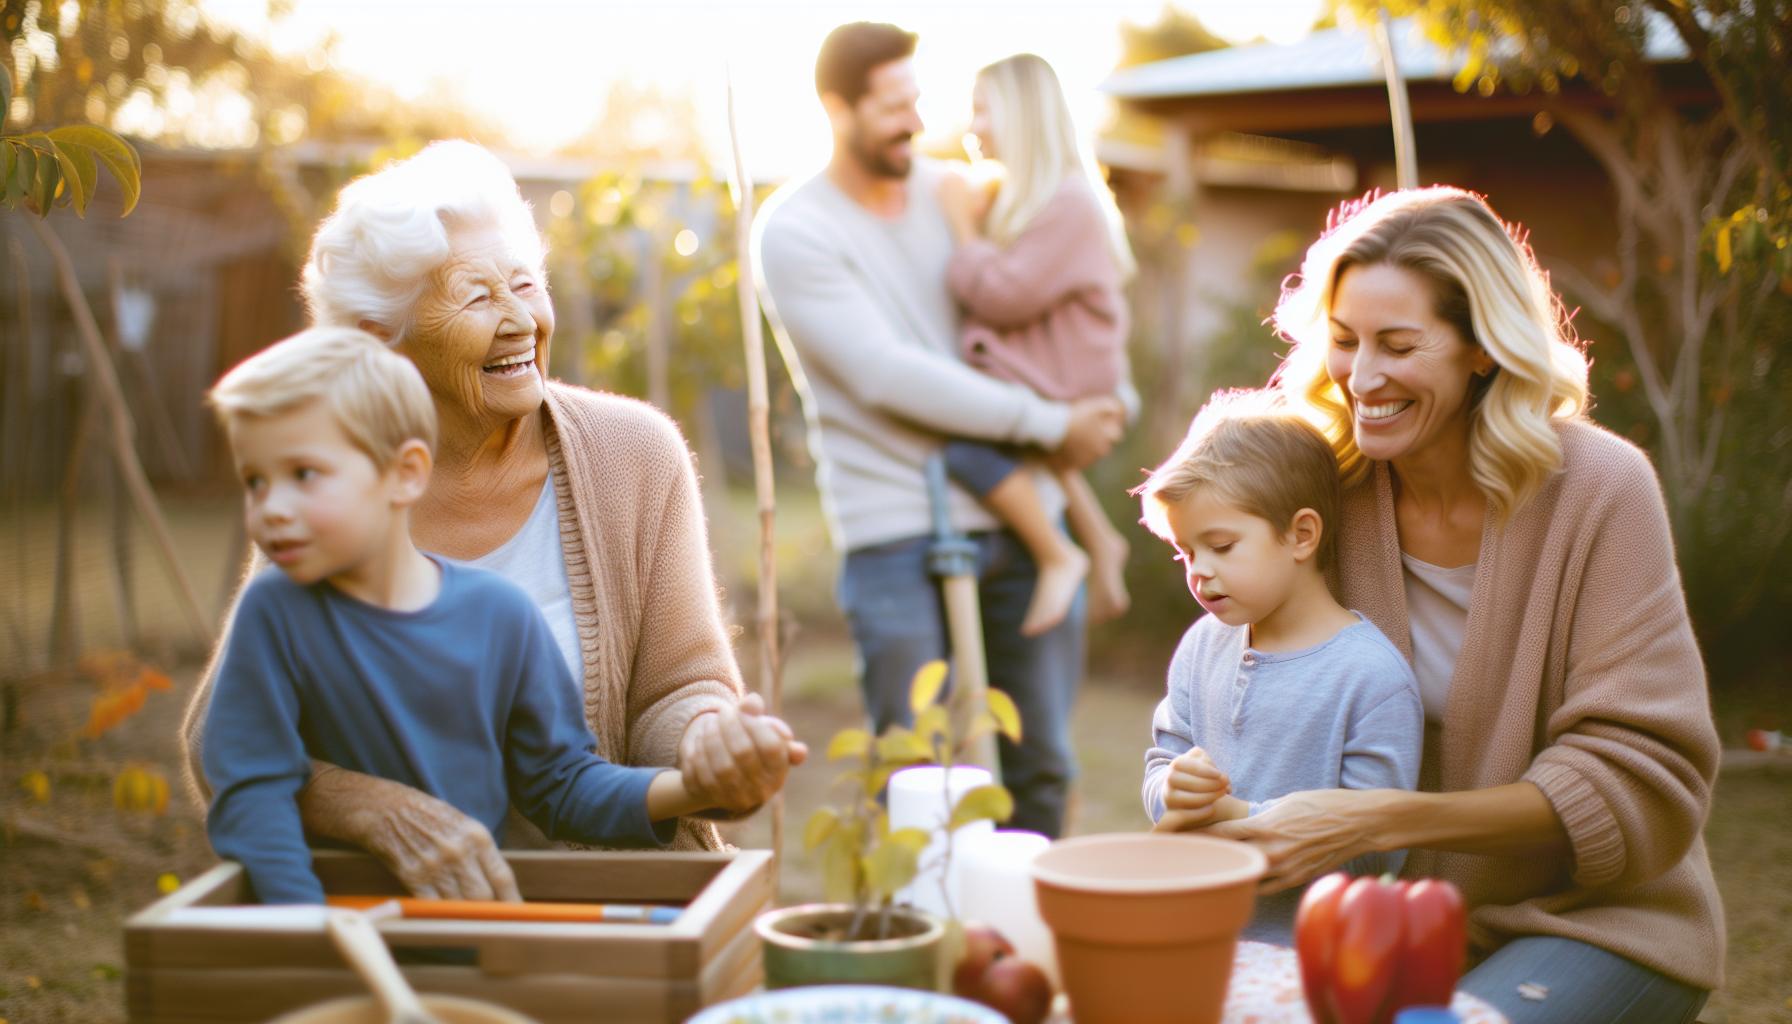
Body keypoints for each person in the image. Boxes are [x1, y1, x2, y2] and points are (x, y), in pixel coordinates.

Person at [182, 141, 806, 902]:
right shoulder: (336, 483)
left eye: (525, 284)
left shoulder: (635, 455)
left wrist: (709, 742)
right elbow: (222, 736)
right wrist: (370, 807)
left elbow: (677, 688)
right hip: (392, 910)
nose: (519, 320)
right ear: (379, 340)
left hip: (607, 900)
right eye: (476, 298)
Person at [1199, 187, 1722, 1022]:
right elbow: (1243, 681)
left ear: (1483, 349)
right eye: (1344, 341)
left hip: (1579, 919)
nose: (1362, 377)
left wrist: (1377, 821)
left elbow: (1639, 780)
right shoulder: (1322, 496)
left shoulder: (1600, 490)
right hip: (1359, 908)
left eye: (1399, 345)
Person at [753, 22, 1126, 837]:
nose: (916, 123)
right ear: (837, 108)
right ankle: (920, 917)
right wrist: (1050, 421)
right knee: (914, 771)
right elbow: (882, 372)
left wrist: (1104, 390)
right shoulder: (795, 228)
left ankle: (1025, 913)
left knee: (1041, 763)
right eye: (892, 107)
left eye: (916, 99)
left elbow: (1052, 292)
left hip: (1019, 516)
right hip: (894, 526)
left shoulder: (959, 193)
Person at [202, 328, 721, 904]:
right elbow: (252, 786)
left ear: (405, 473)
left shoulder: (501, 617)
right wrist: (306, 923)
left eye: (303, 475)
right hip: (337, 918)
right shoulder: (274, 613)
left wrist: (691, 788)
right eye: (255, 481)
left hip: (474, 920)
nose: (272, 508)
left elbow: (562, 785)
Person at [1135, 391, 1422, 943]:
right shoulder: (1201, 647)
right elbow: (1160, 764)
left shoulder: (1371, 678)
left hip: (1307, 955)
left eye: (1221, 546)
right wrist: (1172, 788)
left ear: (1301, 535)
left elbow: (1376, 850)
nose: (1199, 571)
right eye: (1186, 552)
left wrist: (1238, 814)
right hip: (1192, 935)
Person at [933, 52, 1137, 637]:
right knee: (1032, 449)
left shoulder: (1069, 203)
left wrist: (962, 228)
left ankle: (1057, 552)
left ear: (1021, 116)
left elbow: (1004, 296)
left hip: (1067, 376)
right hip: (1055, 368)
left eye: (983, 111)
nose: (972, 127)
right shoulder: (1043, 198)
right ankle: (1102, 541)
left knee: (966, 446)